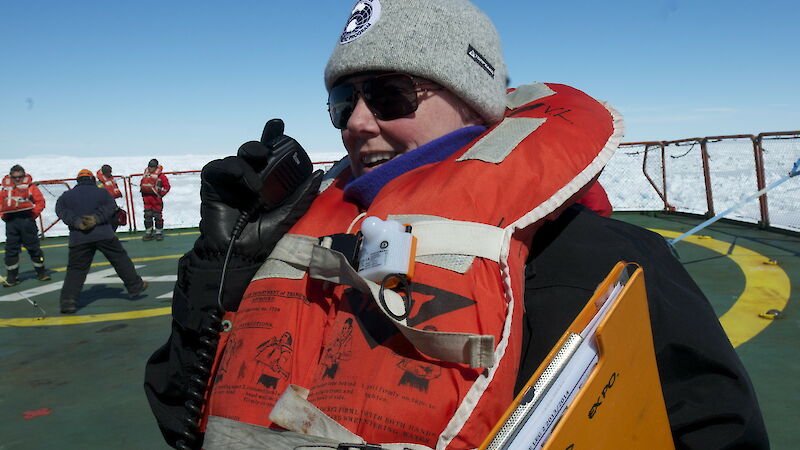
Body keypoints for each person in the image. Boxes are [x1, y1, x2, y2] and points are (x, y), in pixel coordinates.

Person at [145, 1, 767, 449]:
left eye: (388, 95)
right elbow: (183, 419)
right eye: (342, 101)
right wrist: (220, 272)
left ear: (475, 102)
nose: (357, 123)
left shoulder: (602, 261)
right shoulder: (305, 247)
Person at [55, 169, 148, 314]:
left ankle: (68, 302)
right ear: (92, 179)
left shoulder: (66, 196)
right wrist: (96, 219)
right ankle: (135, 286)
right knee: (120, 260)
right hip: (104, 234)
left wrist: (77, 222)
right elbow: (111, 207)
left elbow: (60, 210)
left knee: (76, 270)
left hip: (78, 237)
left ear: (77, 181)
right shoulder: (102, 192)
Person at [1, 164, 50, 286]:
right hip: (11, 222)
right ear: (10, 176)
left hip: (27, 221)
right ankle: (12, 277)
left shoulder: (31, 188)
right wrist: (4, 216)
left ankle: (41, 273)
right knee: (11, 250)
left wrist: (33, 214)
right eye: (15, 177)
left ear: (24, 176)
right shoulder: (5, 189)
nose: (17, 179)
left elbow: (40, 202)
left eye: (20, 177)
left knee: (34, 248)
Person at [140, 158, 170, 241]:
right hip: (147, 199)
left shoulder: (161, 176)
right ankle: (148, 233)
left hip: (156, 200)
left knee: (158, 216)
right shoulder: (146, 175)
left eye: (152, 167)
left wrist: (161, 194)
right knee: (147, 216)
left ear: (156, 167)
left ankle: (158, 233)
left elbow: (167, 186)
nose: (150, 168)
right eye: (149, 166)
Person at [96, 164, 128, 230]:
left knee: (115, 218)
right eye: (108, 172)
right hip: (103, 204)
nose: (109, 174)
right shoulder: (98, 181)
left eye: (110, 172)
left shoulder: (110, 179)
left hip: (111, 202)